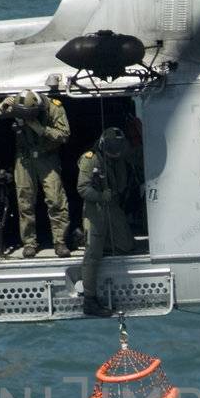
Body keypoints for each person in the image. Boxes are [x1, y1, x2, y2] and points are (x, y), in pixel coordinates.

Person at [0, 90, 71, 257]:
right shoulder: (19, 106)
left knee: (55, 199)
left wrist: (41, 129)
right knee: (25, 200)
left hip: (47, 157)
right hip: (24, 158)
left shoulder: (54, 109)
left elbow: (64, 135)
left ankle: (60, 241)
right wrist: (2, 106)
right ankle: (29, 243)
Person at [76, 127, 138, 317]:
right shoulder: (90, 159)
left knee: (127, 245)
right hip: (96, 209)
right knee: (93, 255)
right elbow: (82, 189)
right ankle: (89, 300)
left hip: (112, 208)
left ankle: (102, 242)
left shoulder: (118, 158)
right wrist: (101, 195)